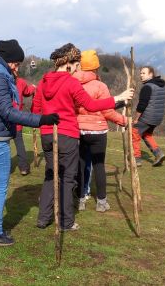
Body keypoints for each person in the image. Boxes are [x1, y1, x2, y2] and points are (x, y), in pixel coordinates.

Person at [31, 43, 133, 231]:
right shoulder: (71, 83)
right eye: (77, 64)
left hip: (47, 134)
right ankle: (66, 221)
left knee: (51, 175)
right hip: (67, 135)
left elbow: (36, 110)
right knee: (68, 177)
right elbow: (92, 105)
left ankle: (43, 217)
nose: (79, 69)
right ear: (70, 63)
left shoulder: (43, 81)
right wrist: (118, 98)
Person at [0, 39, 59, 246]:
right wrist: (41, 120)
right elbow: (8, 112)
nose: (17, 67)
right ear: (8, 60)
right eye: (16, 63)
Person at [73, 50, 126, 212]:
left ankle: (81, 199)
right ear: (95, 68)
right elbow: (107, 111)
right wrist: (124, 121)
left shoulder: (73, 84)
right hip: (98, 131)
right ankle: (101, 202)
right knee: (99, 165)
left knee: (81, 165)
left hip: (80, 130)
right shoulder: (100, 86)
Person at [133, 65, 165, 167]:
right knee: (146, 134)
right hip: (157, 117)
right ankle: (158, 154)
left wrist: (136, 118)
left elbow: (142, 105)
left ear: (151, 74)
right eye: (140, 73)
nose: (141, 75)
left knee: (134, 133)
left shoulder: (147, 87)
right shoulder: (161, 86)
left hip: (147, 117)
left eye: (144, 73)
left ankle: (136, 159)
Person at [13, 70, 36, 175]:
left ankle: (4, 168)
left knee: (4, 144)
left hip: (5, 119)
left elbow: (27, 92)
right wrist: (33, 87)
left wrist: (32, 88)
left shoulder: (1, 81)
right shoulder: (20, 82)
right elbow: (27, 92)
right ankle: (24, 168)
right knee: (19, 143)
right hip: (16, 117)